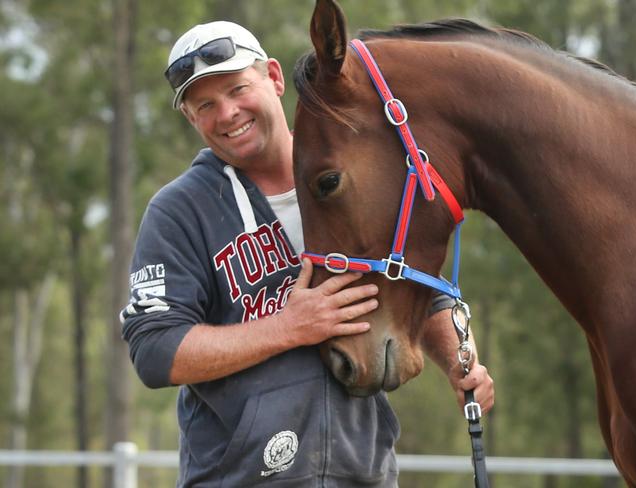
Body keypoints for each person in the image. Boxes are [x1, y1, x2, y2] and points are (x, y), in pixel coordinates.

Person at [121, 20, 494, 487]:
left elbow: (416, 279)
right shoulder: (179, 211)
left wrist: (461, 364)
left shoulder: (356, 173)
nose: (228, 113)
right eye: (205, 105)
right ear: (191, 119)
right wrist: (287, 328)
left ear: (274, 78)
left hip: (364, 474)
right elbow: (155, 351)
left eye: (238, 88)